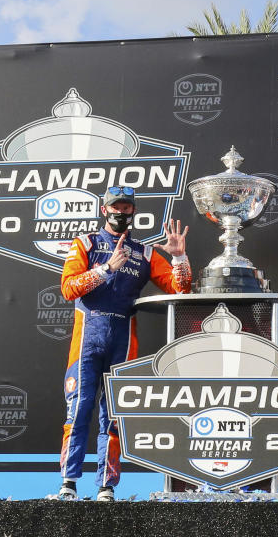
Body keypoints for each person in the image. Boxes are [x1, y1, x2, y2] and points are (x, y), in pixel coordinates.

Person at [57, 185, 191, 501]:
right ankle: (68, 483)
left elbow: (180, 289)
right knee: (78, 410)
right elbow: (68, 288)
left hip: (123, 339)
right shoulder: (86, 244)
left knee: (114, 416)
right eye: (115, 207)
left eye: (126, 207)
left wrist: (179, 257)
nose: (121, 212)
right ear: (104, 210)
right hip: (87, 338)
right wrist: (106, 269)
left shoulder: (144, 252)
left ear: (133, 211)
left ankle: (107, 486)